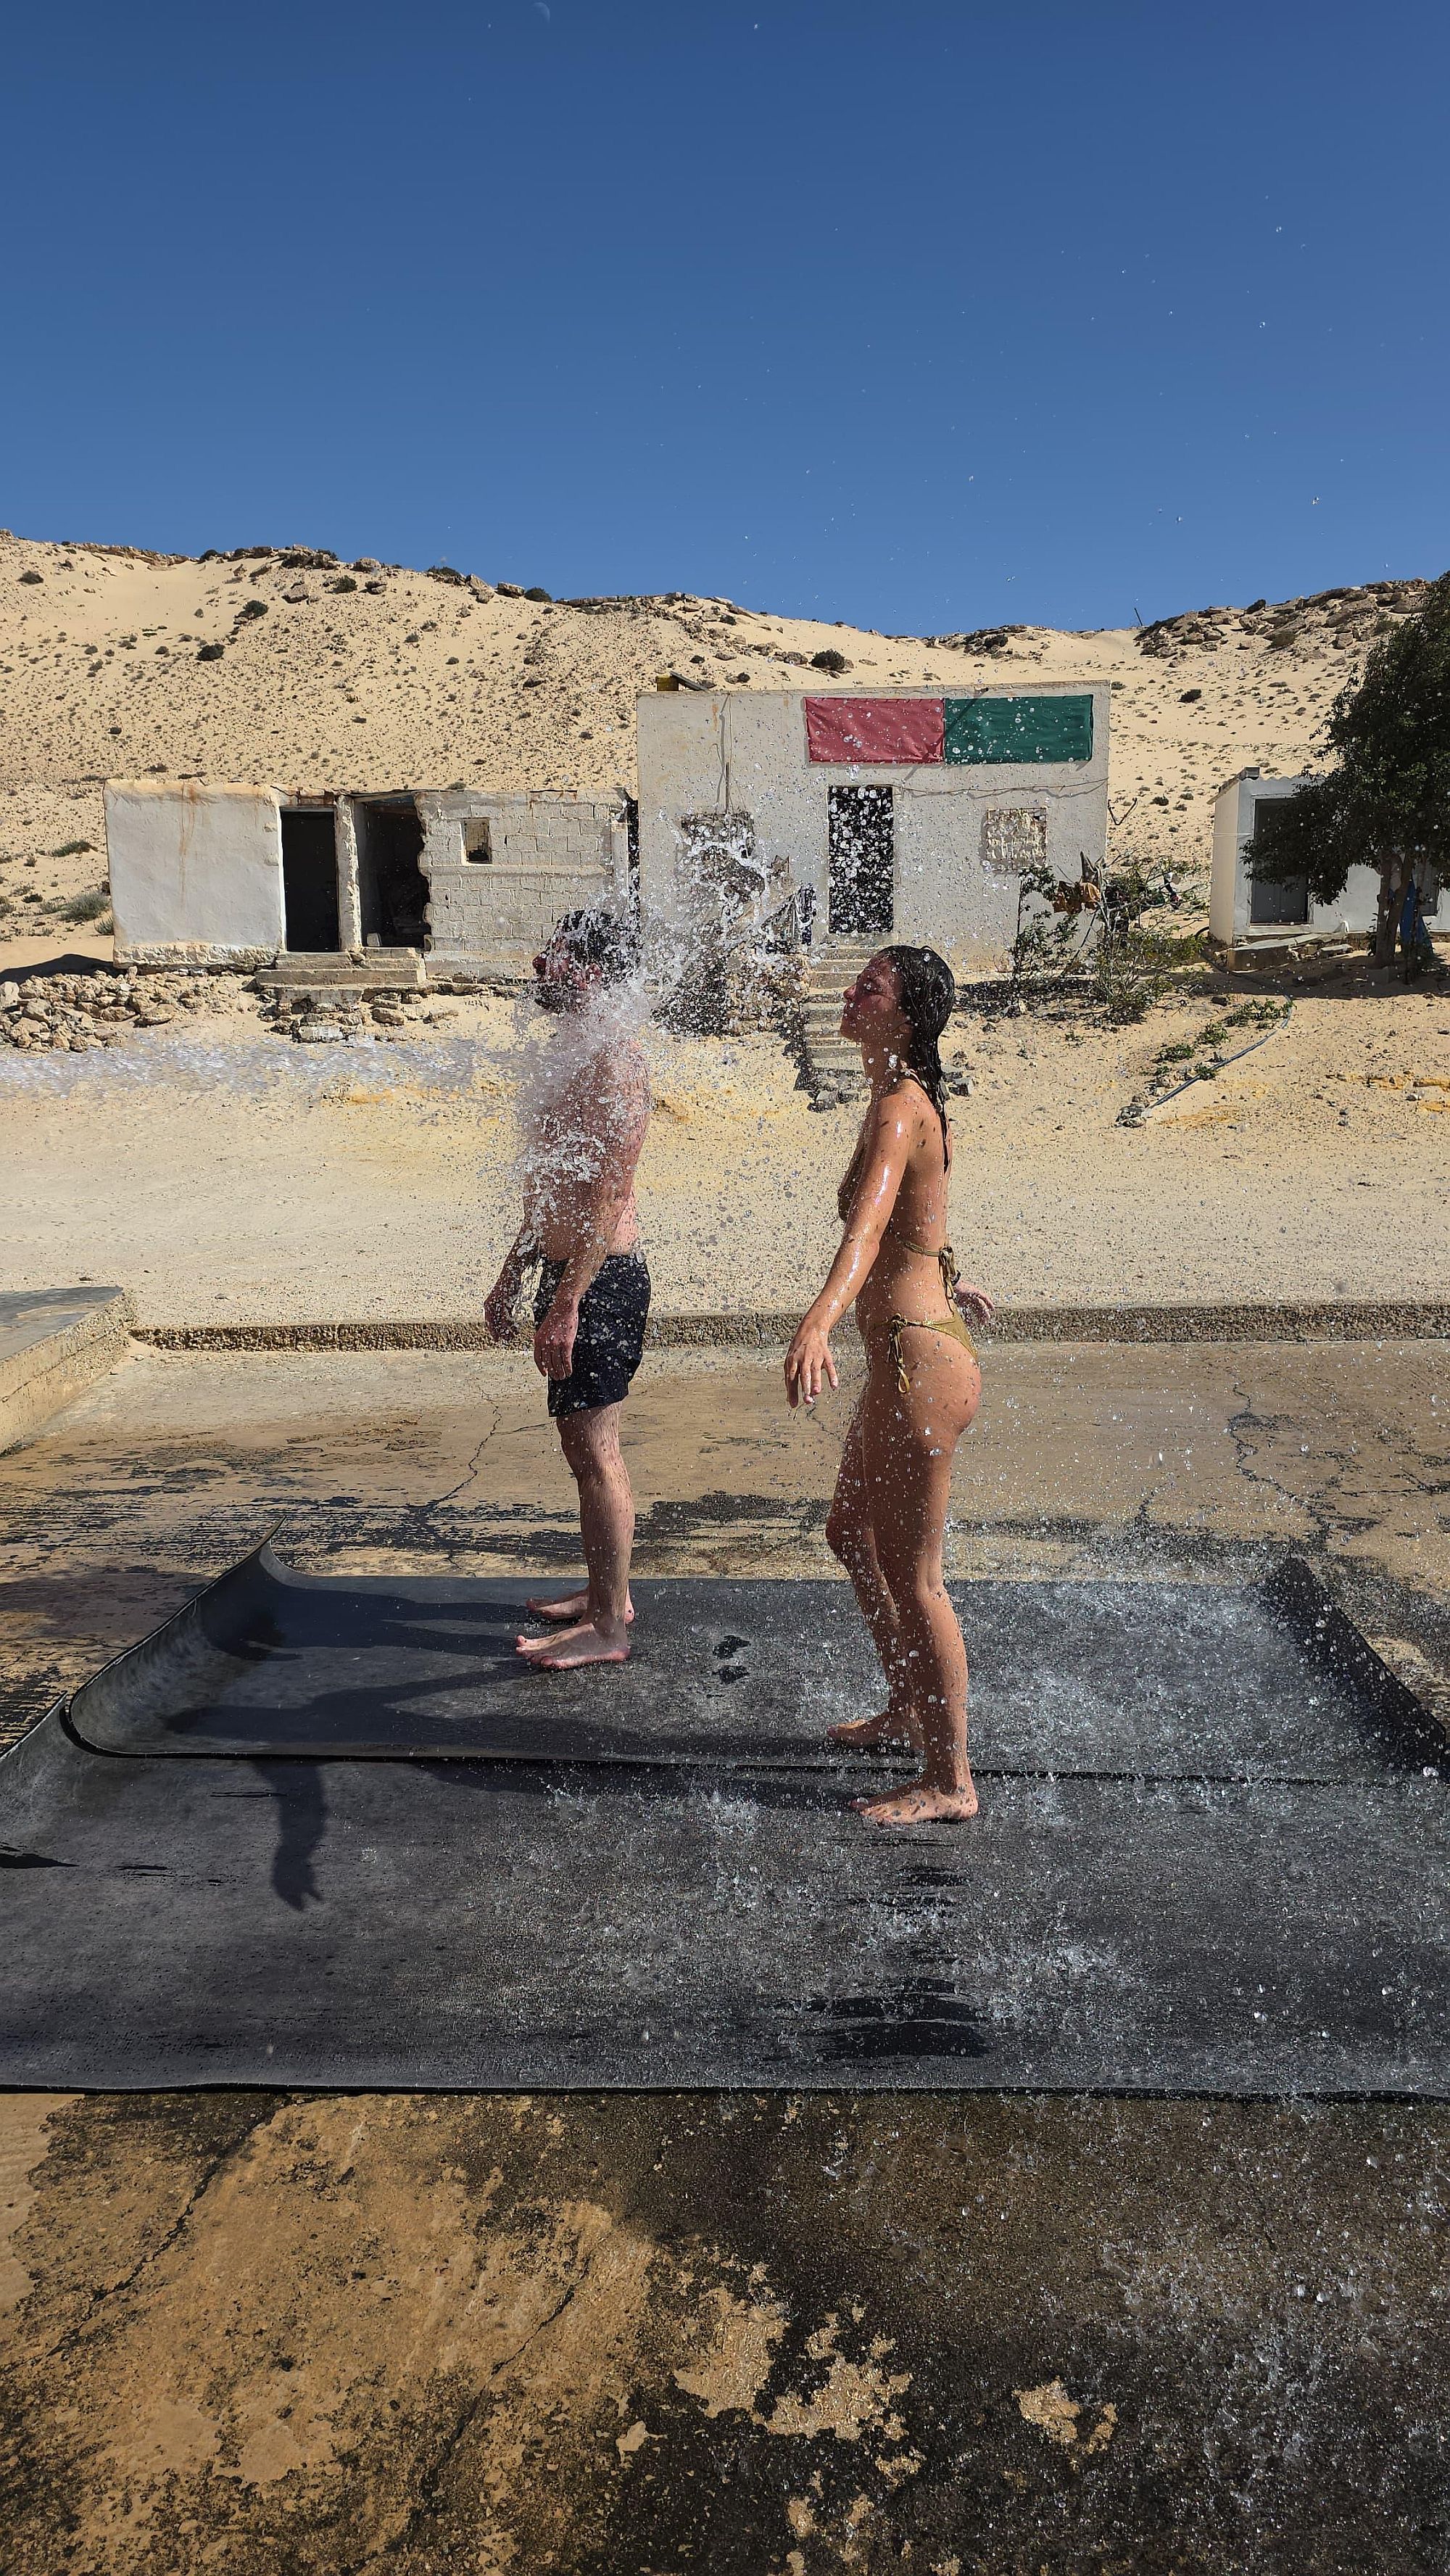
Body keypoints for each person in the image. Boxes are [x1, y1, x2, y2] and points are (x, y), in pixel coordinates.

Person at [784, 947, 993, 1825]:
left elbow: (867, 1235)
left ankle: (950, 1782)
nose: (849, 993)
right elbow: (917, 1219)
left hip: (918, 1368)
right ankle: (909, 1703)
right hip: (910, 1356)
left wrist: (818, 1321)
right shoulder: (902, 1098)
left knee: (917, 1580)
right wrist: (949, 1275)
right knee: (848, 1533)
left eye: (867, 988)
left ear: (902, 1017)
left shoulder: (898, 1107)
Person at [484, 908, 651, 1670]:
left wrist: (568, 1303)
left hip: (600, 1280)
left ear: (588, 971)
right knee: (581, 1448)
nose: (536, 963)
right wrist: (513, 1272)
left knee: (596, 1450)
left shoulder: (615, 1062)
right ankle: (606, 1592)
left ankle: (609, 1627)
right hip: (569, 1276)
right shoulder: (570, 1053)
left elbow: (609, 1195)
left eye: (551, 953)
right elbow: (551, 1186)